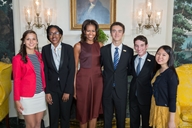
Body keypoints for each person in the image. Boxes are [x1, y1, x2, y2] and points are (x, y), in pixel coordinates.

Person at [100, 22, 133, 128]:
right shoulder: (103, 50)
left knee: (121, 120)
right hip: (107, 89)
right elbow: (98, 68)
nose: (117, 34)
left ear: (123, 33)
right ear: (110, 33)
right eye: (114, 31)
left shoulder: (129, 51)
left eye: (119, 31)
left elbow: (130, 70)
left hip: (121, 90)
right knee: (107, 120)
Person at [42, 25, 75, 128]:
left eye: (56, 33)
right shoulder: (45, 49)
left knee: (65, 117)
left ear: (60, 35)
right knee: (53, 117)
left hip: (66, 88)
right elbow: (45, 71)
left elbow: (72, 70)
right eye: (50, 33)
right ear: (48, 36)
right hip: (52, 89)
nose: (53, 36)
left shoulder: (69, 48)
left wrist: (68, 91)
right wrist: (47, 91)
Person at [12, 30, 46, 128]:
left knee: (38, 124)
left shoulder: (40, 56)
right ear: (23, 41)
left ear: (37, 41)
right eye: (28, 39)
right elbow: (17, 80)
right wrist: (17, 100)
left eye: (33, 39)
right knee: (31, 125)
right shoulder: (17, 59)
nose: (31, 42)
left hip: (40, 94)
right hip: (27, 97)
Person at [74, 19, 103, 128]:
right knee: (83, 110)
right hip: (83, 80)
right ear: (84, 31)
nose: (91, 33)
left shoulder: (100, 45)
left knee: (95, 109)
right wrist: (74, 88)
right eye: (88, 31)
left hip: (98, 80)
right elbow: (75, 68)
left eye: (93, 31)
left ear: (96, 32)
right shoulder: (78, 46)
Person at [149, 45, 179, 128]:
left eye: (164, 55)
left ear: (169, 57)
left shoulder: (171, 74)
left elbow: (173, 98)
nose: (160, 57)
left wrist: (171, 121)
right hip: (156, 108)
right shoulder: (158, 71)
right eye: (158, 54)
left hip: (165, 112)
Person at [129, 35, 155, 128]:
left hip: (146, 97)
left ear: (146, 46)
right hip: (133, 96)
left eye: (142, 45)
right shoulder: (132, 59)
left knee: (146, 123)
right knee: (133, 122)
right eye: (136, 45)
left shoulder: (153, 60)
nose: (139, 48)